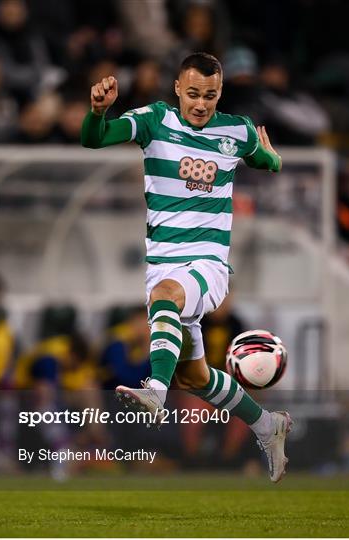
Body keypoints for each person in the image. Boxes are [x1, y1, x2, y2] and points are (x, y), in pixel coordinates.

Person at [81, 52, 292, 482]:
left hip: (208, 264)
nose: (201, 104)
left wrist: (273, 159)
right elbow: (95, 139)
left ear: (220, 93)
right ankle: (268, 425)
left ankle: (155, 392)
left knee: (166, 298)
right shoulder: (154, 120)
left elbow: (265, 160)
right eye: (193, 93)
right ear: (178, 88)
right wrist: (98, 113)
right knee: (195, 378)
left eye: (210, 96)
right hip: (162, 264)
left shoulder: (237, 130)